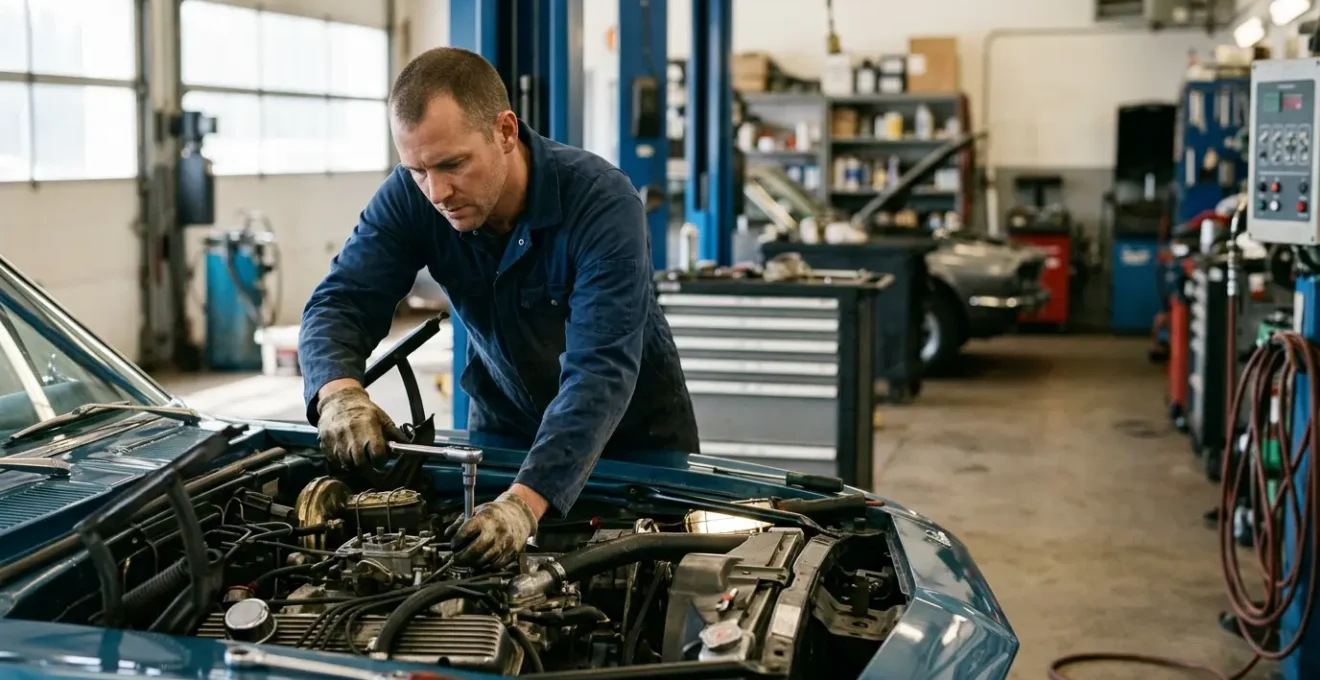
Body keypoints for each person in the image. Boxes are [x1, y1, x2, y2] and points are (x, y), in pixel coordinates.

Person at [298, 46, 699, 571]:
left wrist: (525, 503)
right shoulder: (412, 196)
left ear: (505, 132)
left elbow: (599, 372)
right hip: (504, 431)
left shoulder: (601, 201)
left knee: (648, 590)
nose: (437, 191)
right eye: (417, 169)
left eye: (453, 164)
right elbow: (341, 299)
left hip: (633, 442)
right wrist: (339, 395)